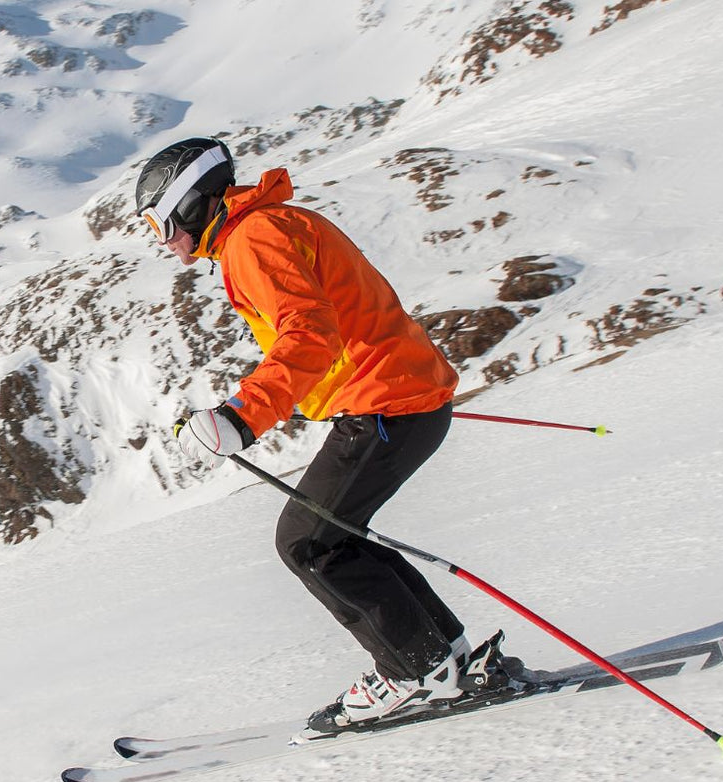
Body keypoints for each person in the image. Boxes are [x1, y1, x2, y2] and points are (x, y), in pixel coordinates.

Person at [135, 136, 486, 727]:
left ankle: (416, 668)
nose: (160, 239)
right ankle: (442, 657)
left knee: (308, 543)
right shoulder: (272, 223)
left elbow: (309, 334)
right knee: (337, 537)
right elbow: (334, 324)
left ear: (191, 203)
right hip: (401, 399)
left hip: (386, 406)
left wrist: (242, 416)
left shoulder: (253, 238)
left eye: (158, 221)